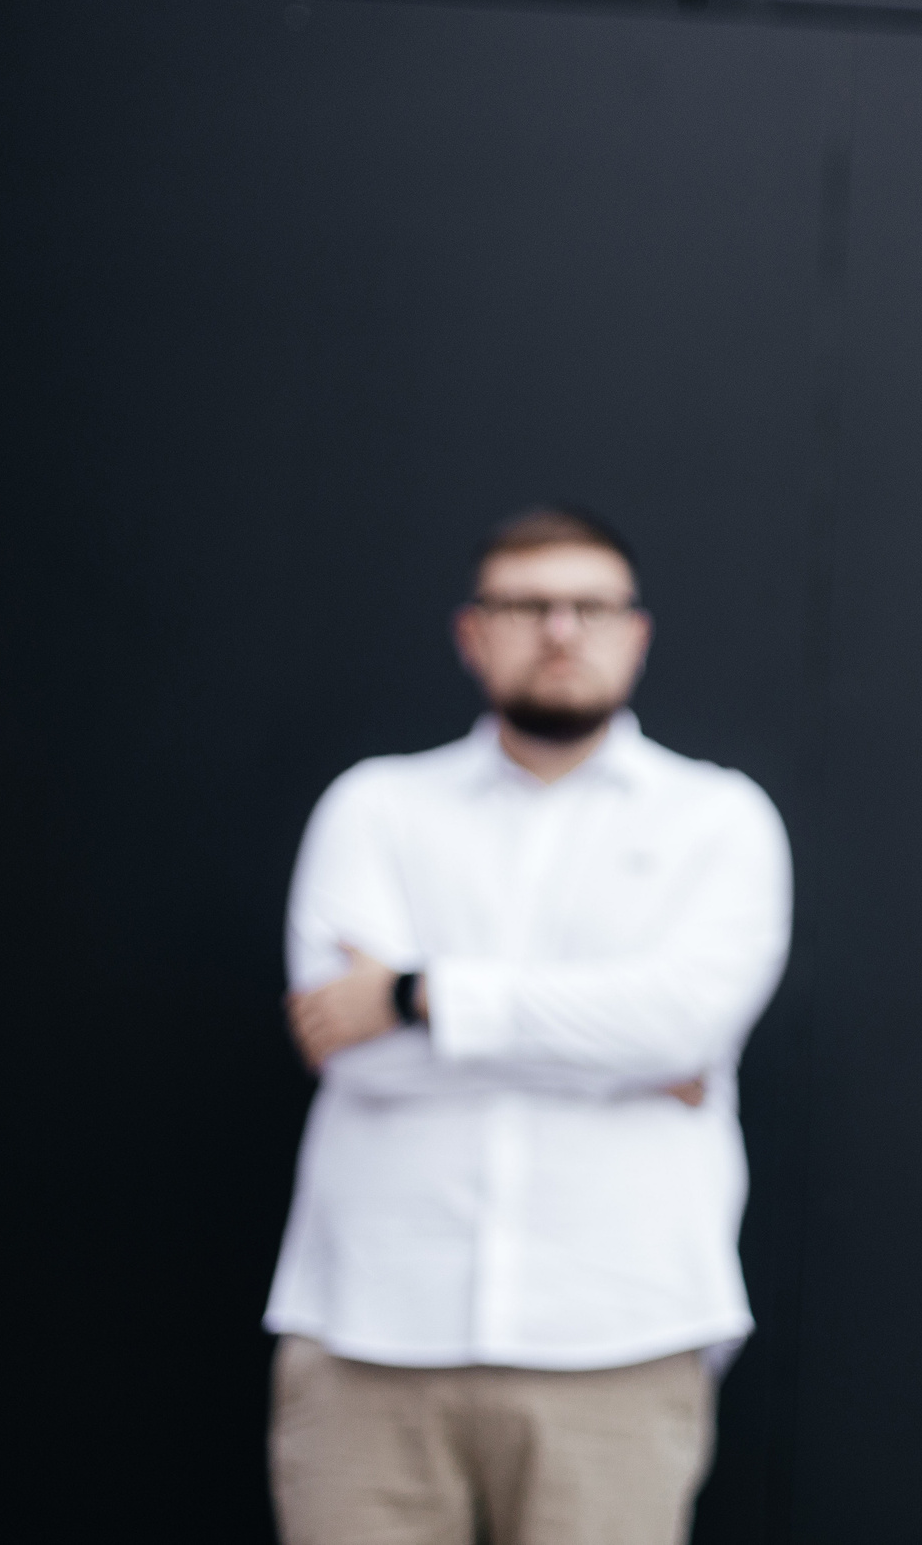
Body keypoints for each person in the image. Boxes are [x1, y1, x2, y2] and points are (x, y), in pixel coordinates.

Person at [267, 507, 791, 1545]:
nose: (561, 630)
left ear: (634, 633)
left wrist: (418, 996)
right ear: (474, 632)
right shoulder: (374, 810)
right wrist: (616, 1051)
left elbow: (683, 1025)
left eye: (589, 606)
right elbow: (354, 1058)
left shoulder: (718, 819)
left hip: (622, 1337)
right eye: (527, 606)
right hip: (368, 1334)